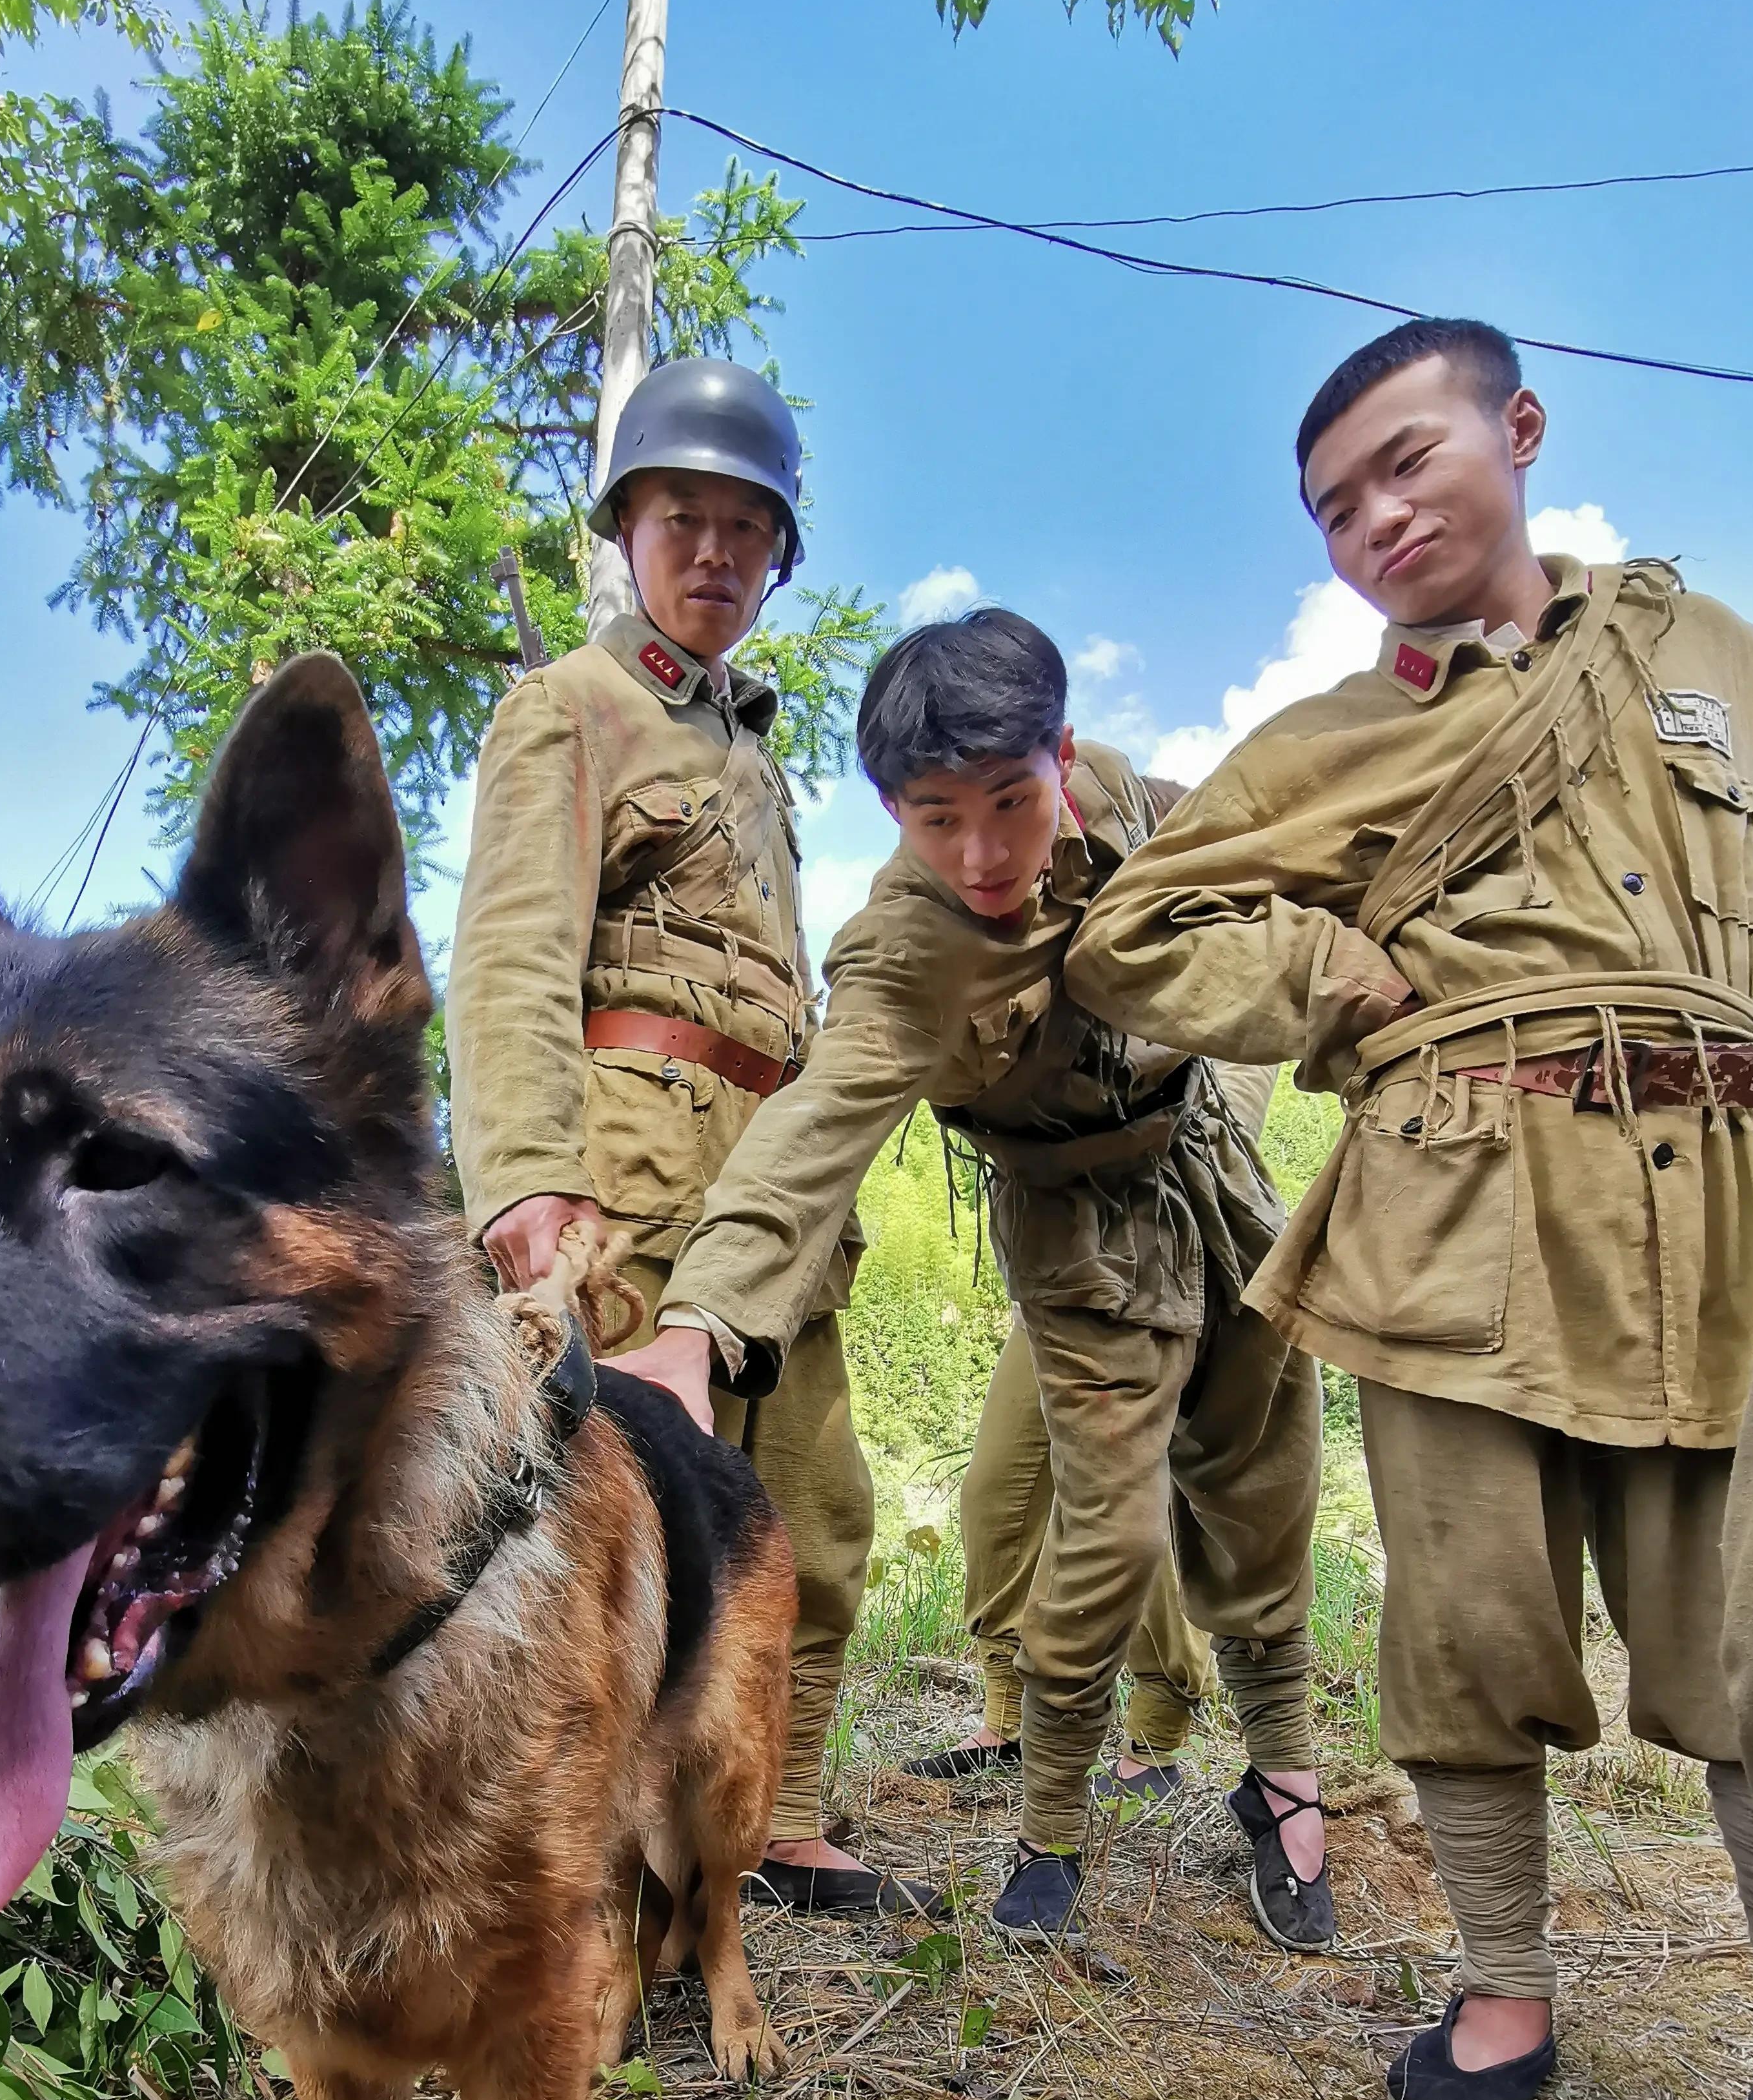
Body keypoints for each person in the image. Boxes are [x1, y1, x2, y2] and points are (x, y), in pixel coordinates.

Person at [1070, 314, 1753, 2100]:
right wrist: (1328, 971)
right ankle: (1503, 1996)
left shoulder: (1704, 652)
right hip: (1458, 1203)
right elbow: (1132, 936)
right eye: (1332, 508)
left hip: (1719, 1206)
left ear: (1520, 429)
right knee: (1466, 1618)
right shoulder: (1326, 740)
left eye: (1407, 462)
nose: (1374, 519)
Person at [613, 609, 1333, 1954]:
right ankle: (1053, 1825)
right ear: (893, 812)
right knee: (1108, 1531)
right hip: (1075, 1223)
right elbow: (810, 1136)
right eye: (938, 819)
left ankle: (1283, 1777)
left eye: (1012, 802)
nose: (985, 854)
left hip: (1211, 1163)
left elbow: (1250, 872)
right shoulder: (904, 950)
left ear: (1062, 754)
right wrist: (697, 1329)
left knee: (1262, 1481)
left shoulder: (1121, 796)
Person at [447, 358, 929, 1921]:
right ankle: (578, 1868)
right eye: (681, 520)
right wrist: (523, 1176)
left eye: (745, 527)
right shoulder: (568, 710)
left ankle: (766, 1819)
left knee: (810, 1513)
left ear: (777, 554)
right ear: (627, 530)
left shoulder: (752, 753)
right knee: (616, 1530)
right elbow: (511, 954)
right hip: (627, 1180)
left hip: (771, 1194)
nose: (713, 553)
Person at [915, 1045, 1281, 1808]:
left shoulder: (1211, 950)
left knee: (1122, 1502)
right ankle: (1008, 1718)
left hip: (1172, 1235)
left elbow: (1238, 1089)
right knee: (999, 1487)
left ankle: (1157, 1732)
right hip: (1067, 1240)